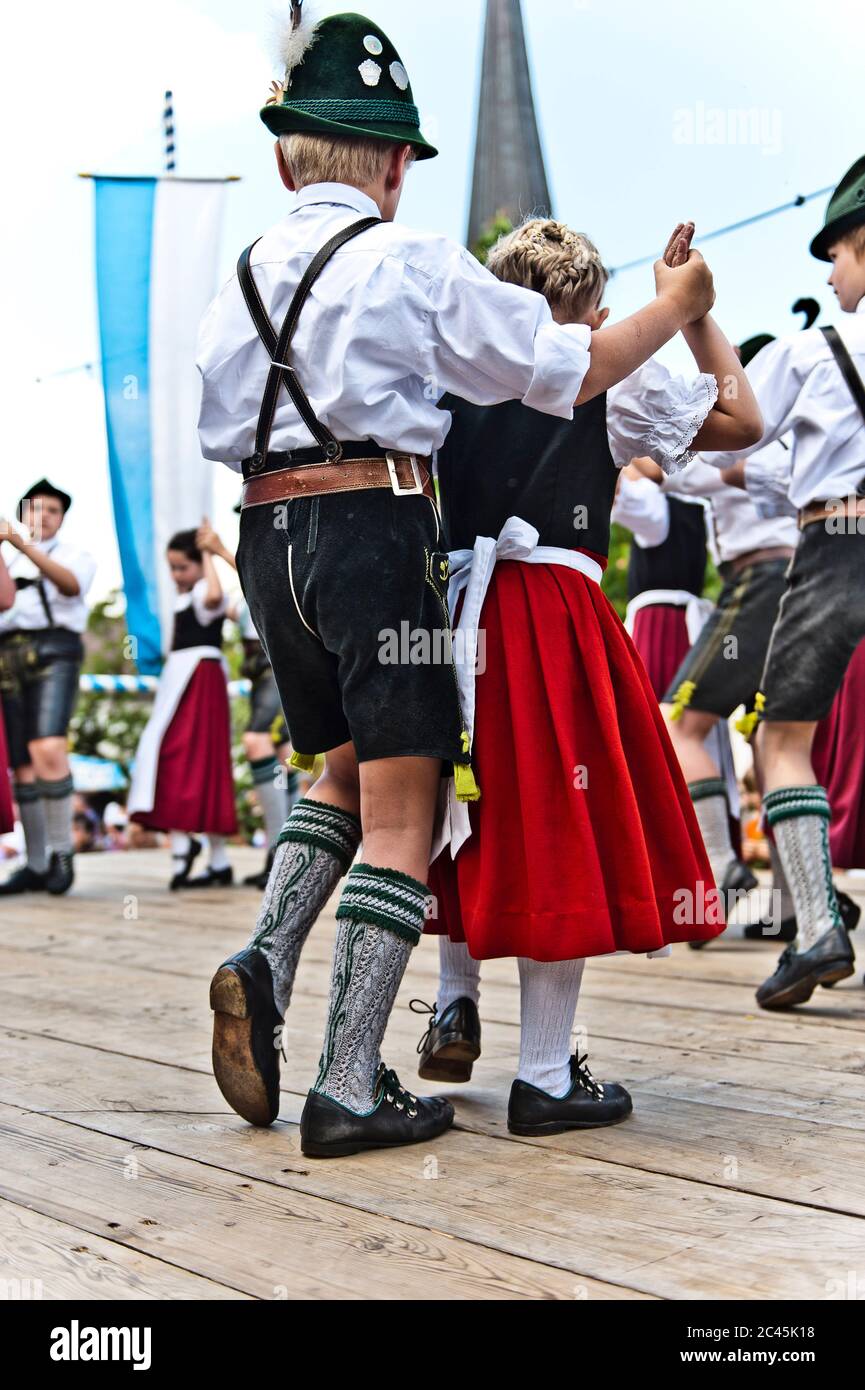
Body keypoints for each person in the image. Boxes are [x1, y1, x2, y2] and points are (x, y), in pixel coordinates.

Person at [194, 4, 717, 1158]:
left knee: (333, 771)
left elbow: (214, 427)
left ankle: (267, 958)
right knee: (404, 808)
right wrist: (676, 309)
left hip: (266, 537)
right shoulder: (410, 257)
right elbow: (559, 364)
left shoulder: (240, 270)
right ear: (393, 162)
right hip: (370, 531)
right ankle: (344, 1082)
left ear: (286, 155)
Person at [415, 217, 762, 1133]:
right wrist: (693, 315)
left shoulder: (449, 368)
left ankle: (454, 995)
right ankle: (543, 1076)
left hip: (453, 617)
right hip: (554, 615)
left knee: (467, 806)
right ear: (599, 311)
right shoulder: (606, 372)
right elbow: (742, 423)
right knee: (552, 821)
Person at [706, 154, 865, 1009]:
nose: (829, 274)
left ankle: (815, 930)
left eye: (835, 255)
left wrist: (700, 326)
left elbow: (736, 435)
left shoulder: (809, 350)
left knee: (782, 739)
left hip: (838, 542)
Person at [0, 479, 96, 896]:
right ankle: (35, 861)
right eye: (35, 509)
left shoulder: (75, 555)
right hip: (8, 654)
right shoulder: (5, 560)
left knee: (48, 748)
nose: (43, 517)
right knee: (21, 763)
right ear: (22, 513)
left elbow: (70, 586)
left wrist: (22, 546)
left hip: (55, 649)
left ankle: (62, 854)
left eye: (53, 511)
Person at [128, 528, 238, 888]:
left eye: (182, 567)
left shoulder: (208, 597)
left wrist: (209, 554)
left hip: (200, 682)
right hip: (178, 682)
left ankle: (215, 857)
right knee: (171, 759)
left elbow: (214, 596)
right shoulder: (179, 599)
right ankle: (183, 847)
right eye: (172, 568)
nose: (176, 575)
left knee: (204, 762)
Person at [197, 517, 300, 890]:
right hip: (264, 667)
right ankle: (284, 853)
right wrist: (210, 554)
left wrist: (220, 549)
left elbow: (268, 580)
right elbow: (225, 603)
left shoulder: (277, 551)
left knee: (258, 741)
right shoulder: (246, 577)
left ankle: (278, 851)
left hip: (278, 661)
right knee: (283, 751)